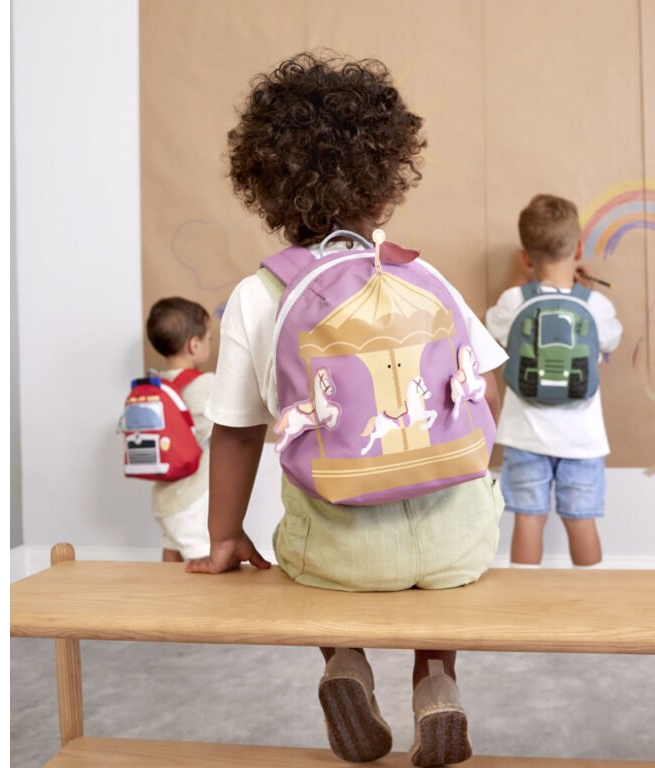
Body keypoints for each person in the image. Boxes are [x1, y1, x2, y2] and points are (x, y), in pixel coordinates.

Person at [186, 52, 506, 767]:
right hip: (457, 545)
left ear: (267, 188)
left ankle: (344, 662)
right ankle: (437, 680)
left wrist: (225, 536)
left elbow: (235, 432)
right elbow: (486, 389)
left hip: (341, 551)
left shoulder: (258, 296)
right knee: (448, 524)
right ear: (387, 188)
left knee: (307, 546)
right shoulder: (420, 273)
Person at [485, 194, 622, 569]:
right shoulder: (595, 306)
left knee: (529, 519)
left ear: (526, 257)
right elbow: (611, 339)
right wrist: (588, 294)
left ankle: (525, 599)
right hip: (583, 439)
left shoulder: (513, 301)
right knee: (582, 521)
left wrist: (518, 281)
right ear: (578, 249)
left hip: (524, 437)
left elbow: (493, 327)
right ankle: (591, 598)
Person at [145, 297, 216, 563]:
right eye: (209, 339)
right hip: (192, 499)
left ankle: (164, 592)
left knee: (171, 553)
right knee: (204, 558)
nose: (210, 344)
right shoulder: (206, 385)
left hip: (164, 498)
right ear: (194, 345)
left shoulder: (155, 386)